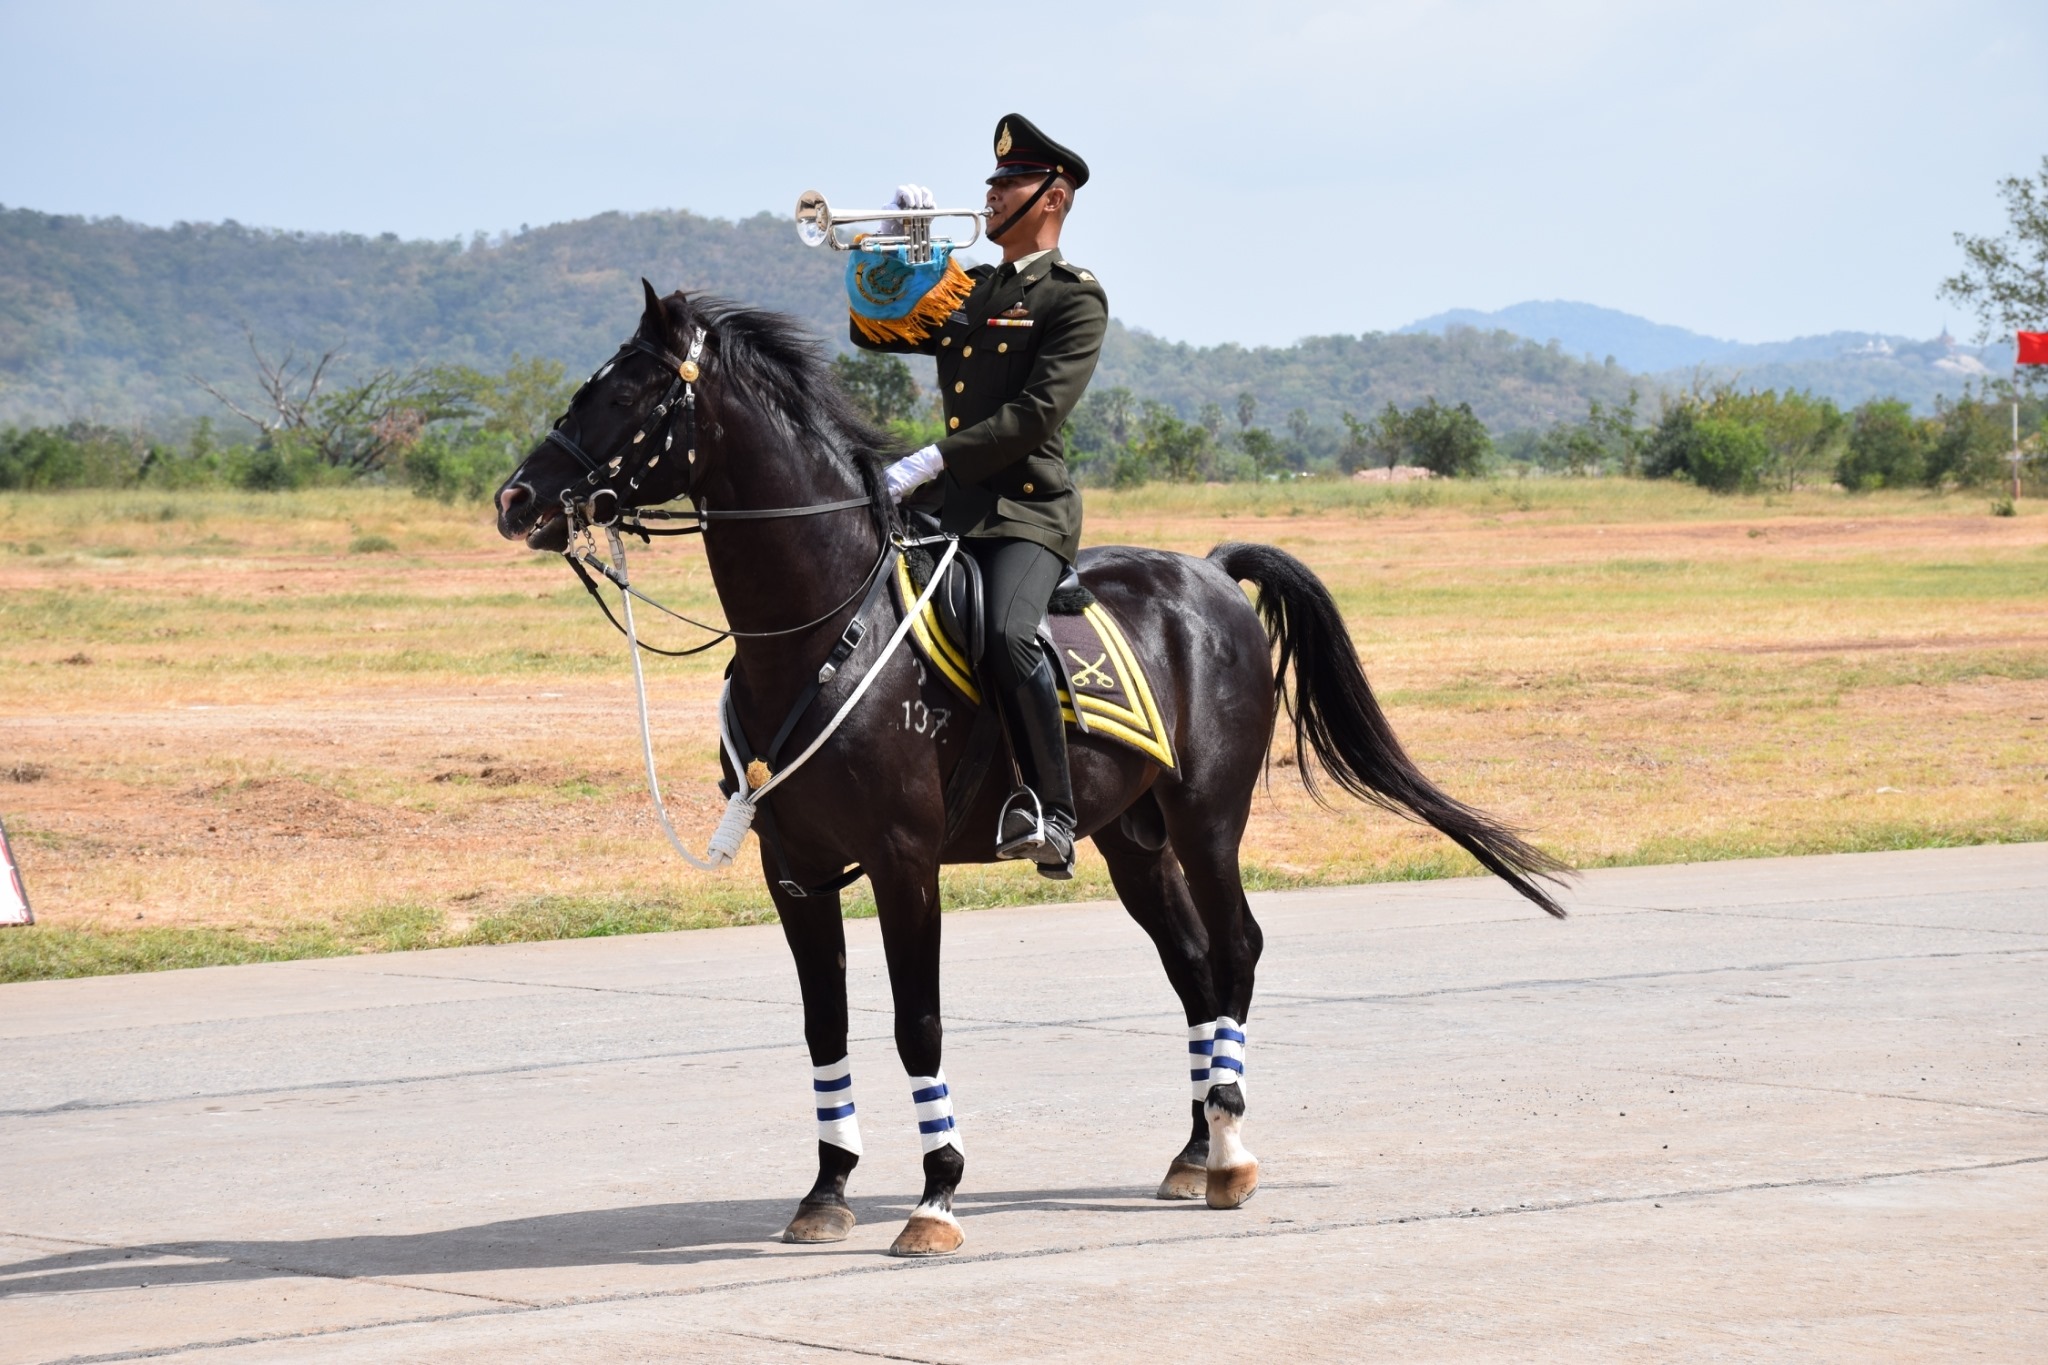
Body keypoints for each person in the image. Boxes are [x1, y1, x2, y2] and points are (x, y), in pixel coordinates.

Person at [849, 114, 1106, 879]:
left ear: (1051, 198)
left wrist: (932, 457)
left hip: (1025, 512)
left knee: (1006, 635)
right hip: (949, 510)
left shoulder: (1073, 299)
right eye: (990, 185)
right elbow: (877, 330)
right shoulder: (974, 287)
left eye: (1007, 184)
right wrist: (902, 246)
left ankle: (1053, 814)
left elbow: (1035, 415)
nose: (989, 197)